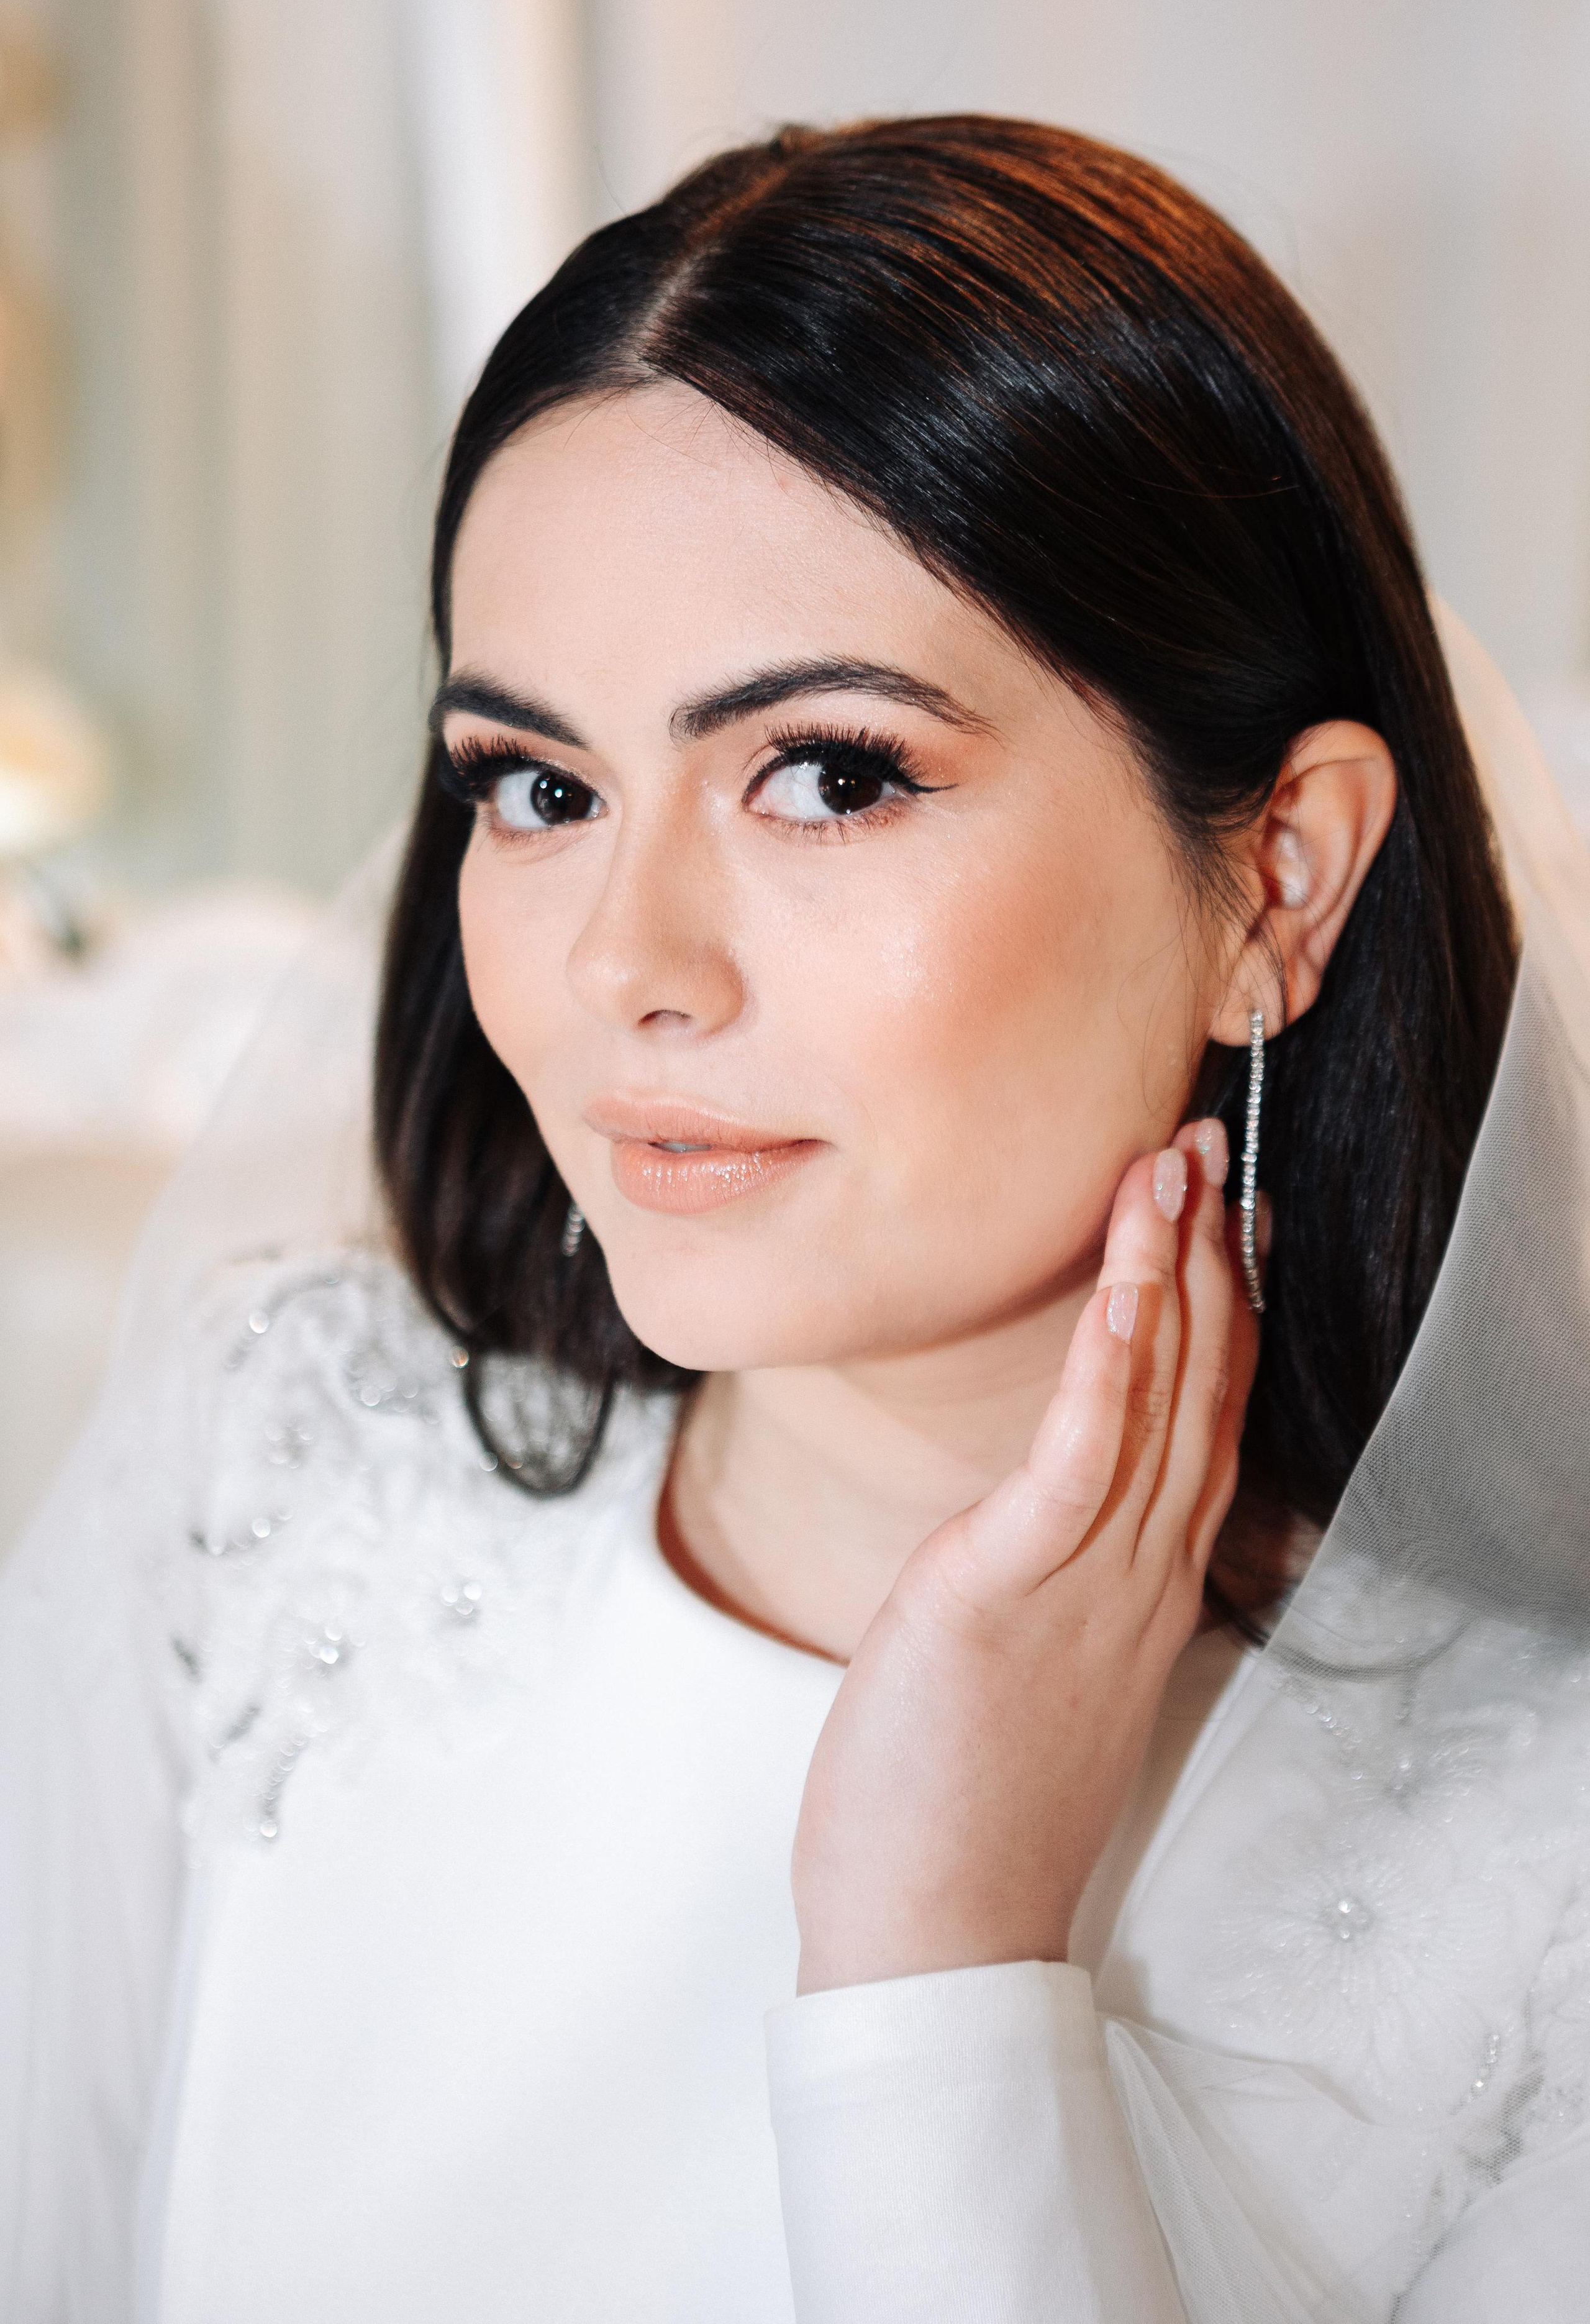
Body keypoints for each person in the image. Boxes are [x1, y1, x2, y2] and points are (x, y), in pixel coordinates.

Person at [3, 116, 1589, 2323]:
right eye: (537, 788)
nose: (630, 961)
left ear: (1282, 878)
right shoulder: (271, 1490)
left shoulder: (1542, 1876)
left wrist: (941, 1958)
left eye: (830, 772)